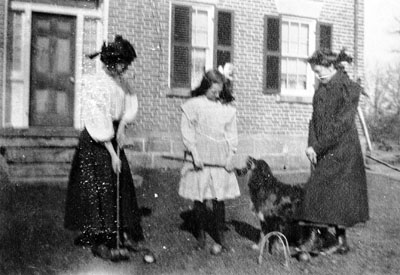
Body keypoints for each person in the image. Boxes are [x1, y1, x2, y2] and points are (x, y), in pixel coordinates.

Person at [64, 35, 152, 261]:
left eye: (126, 65)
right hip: (97, 139)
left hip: (112, 134)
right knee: (101, 187)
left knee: (120, 184)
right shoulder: (96, 83)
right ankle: (101, 241)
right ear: (112, 61)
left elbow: (129, 103)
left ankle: (123, 234)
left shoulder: (120, 81)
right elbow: (98, 118)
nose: (125, 68)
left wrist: (122, 127)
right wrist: (113, 153)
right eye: (123, 63)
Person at [297, 49, 369, 255]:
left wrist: (318, 147)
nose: (317, 76)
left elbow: (341, 125)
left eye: (320, 71)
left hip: (343, 151)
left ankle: (312, 241)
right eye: (315, 72)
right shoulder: (321, 89)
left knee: (315, 191)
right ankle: (341, 241)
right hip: (325, 148)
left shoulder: (348, 88)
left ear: (331, 66)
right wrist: (311, 145)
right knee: (335, 196)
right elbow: (314, 120)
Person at [179, 69, 240, 255]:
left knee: (218, 198)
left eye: (219, 91)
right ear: (205, 87)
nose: (217, 94)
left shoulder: (226, 109)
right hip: (201, 156)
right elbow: (187, 131)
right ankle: (200, 237)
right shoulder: (193, 105)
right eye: (213, 91)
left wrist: (231, 156)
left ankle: (221, 238)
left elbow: (232, 134)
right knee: (200, 196)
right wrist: (194, 154)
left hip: (220, 157)